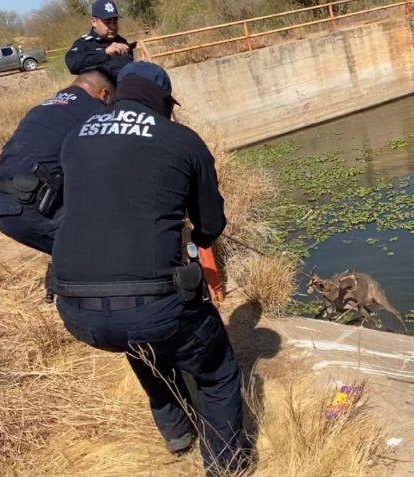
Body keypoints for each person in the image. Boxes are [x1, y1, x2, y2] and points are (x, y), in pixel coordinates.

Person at [50, 61, 250, 476]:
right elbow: (210, 225)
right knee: (218, 374)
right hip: (153, 307)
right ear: (163, 100)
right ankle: (227, 466)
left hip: (74, 309)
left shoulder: (74, 138)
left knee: (138, 342)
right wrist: (195, 240)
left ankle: (177, 434)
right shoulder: (181, 140)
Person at [0, 70, 114, 255]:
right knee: (110, 252)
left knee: (77, 256)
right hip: (32, 203)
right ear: (104, 94)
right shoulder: (95, 109)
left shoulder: (43, 107)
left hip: (0, 203)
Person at [65, 0, 137, 82]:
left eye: (115, 22)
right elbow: (73, 64)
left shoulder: (121, 41)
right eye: (107, 22)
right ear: (94, 22)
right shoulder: (84, 44)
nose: (112, 26)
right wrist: (104, 53)